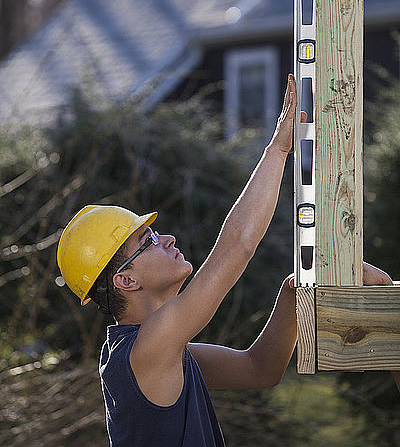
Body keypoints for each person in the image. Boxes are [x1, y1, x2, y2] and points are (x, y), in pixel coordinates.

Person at [57, 74, 397, 446]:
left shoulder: (164, 354)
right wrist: (279, 149)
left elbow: (259, 369)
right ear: (126, 280)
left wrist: (293, 289)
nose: (167, 238)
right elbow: (238, 246)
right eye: (148, 240)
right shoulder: (146, 352)